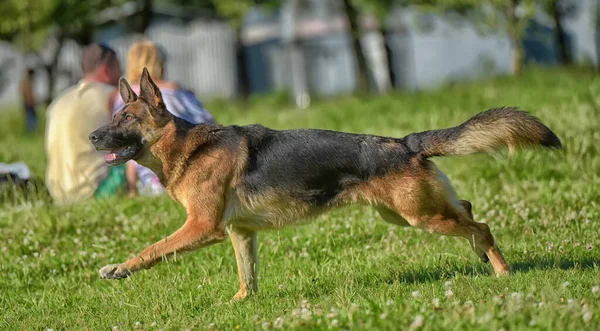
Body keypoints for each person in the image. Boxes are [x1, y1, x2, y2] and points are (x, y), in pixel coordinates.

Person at [112, 40, 216, 196]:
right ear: (158, 63)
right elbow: (211, 126)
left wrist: (132, 190)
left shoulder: (122, 101)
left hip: (148, 184)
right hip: (186, 175)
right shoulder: (174, 91)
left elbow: (127, 146)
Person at [45, 43, 132, 204]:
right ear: (106, 69)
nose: (122, 74)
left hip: (59, 195)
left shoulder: (57, 103)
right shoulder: (112, 97)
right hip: (95, 192)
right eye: (119, 68)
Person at [20, 68, 37, 133]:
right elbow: (28, 94)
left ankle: (31, 132)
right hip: (29, 104)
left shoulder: (26, 82)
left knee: (30, 118)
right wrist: (31, 102)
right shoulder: (27, 83)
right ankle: (31, 132)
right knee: (31, 119)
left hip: (28, 104)